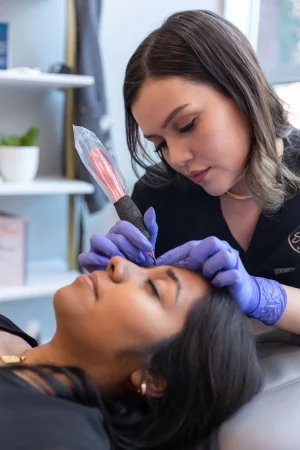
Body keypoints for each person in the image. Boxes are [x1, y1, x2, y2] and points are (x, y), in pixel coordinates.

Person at [79, 10, 300, 333]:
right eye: (159, 144)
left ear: (242, 90)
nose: (177, 158)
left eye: (187, 125)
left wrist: (263, 296)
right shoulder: (158, 196)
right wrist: (115, 283)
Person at [0, 257, 261, 450]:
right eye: (144, 267)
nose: (117, 263)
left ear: (155, 377)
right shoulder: (13, 339)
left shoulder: (56, 435)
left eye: (153, 288)